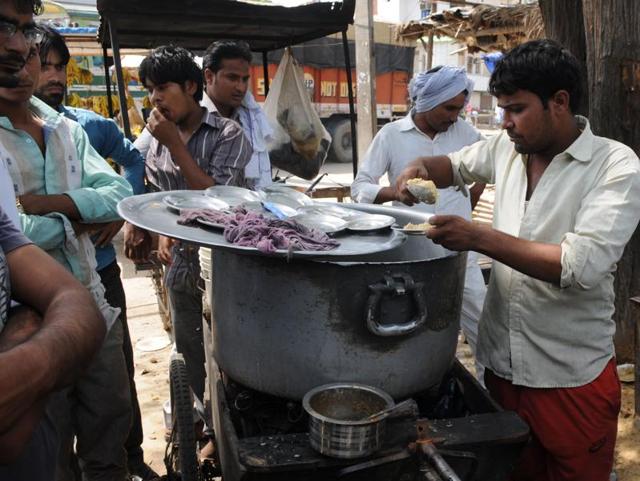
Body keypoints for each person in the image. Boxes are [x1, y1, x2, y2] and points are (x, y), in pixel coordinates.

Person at [395, 39, 640, 481]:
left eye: (516, 109)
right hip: (502, 369)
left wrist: (477, 237)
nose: (504, 122)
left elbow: (577, 265)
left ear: (559, 103)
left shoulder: (614, 165)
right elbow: (452, 165)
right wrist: (418, 168)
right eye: (501, 108)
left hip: (570, 377)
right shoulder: (506, 148)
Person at [0, 12, 134, 480]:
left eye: (30, 53)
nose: (19, 62)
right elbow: (11, 236)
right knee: (46, 447)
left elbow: (120, 195)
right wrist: (75, 218)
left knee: (109, 422)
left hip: (92, 302)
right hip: (26, 322)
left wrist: (47, 205)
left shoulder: (66, 129)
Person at [32, 25, 157, 481]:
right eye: (44, 65)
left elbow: (132, 165)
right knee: (55, 411)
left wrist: (122, 213)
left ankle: (129, 459)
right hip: (37, 295)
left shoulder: (85, 127)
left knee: (114, 385)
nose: (54, 76)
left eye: (60, 66)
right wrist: (80, 215)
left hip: (99, 276)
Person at [130, 45, 251, 407]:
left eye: (162, 88)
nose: (155, 98)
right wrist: (156, 229)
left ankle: (227, 428)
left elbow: (219, 199)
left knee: (230, 353)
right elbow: (160, 194)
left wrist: (174, 145)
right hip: (179, 264)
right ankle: (201, 422)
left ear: (191, 87)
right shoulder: (155, 139)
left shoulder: (227, 134)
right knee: (189, 348)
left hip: (224, 264)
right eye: (150, 90)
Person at [351, 65, 487, 381]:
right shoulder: (391, 135)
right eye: (449, 108)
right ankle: (415, 382)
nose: (455, 116)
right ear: (425, 103)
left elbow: (482, 173)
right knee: (416, 325)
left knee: (481, 321)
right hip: (410, 252)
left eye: (459, 108)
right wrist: (392, 192)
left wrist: (466, 208)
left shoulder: (467, 134)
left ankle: (487, 391)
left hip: (459, 251)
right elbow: (359, 187)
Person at [202, 40, 272, 189]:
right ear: (209, 76)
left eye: (245, 79)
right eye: (232, 78)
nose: (241, 87)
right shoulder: (192, 115)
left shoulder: (251, 119)